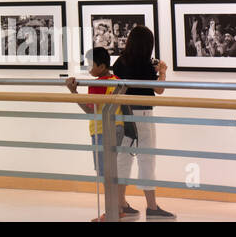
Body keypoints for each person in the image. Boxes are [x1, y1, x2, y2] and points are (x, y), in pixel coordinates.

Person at [111, 26, 175, 219]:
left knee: (123, 158)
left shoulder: (119, 63)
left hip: (123, 113)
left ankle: (121, 203)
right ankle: (152, 206)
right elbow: (159, 90)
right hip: (144, 115)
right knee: (146, 160)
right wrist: (162, 71)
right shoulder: (147, 65)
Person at [66, 47, 133, 221]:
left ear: (102, 66)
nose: (88, 68)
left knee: (104, 173)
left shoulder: (97, 84)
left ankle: (112, 212)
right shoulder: (115, 79)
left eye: (91, 64)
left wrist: (73, 93)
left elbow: (90, 110)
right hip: (117, 128)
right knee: (111, 170)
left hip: (102, 130)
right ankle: (117, 209)